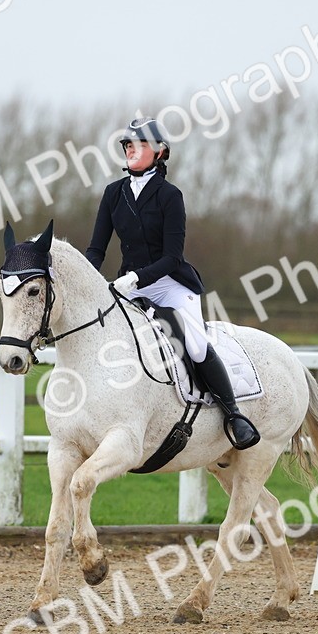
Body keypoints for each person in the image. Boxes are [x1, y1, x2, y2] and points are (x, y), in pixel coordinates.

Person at [85, 117, 260, 450]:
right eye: (128, 145)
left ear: (159, 151)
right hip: (130, 286)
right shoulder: (113, 194)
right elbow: (96, 249)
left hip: (170, 283)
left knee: (193, 345)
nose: (132, 150)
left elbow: (172, 257)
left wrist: (136, 277)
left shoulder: (169, 196)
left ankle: (233, 415)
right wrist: (88, 280)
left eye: (140, 145)